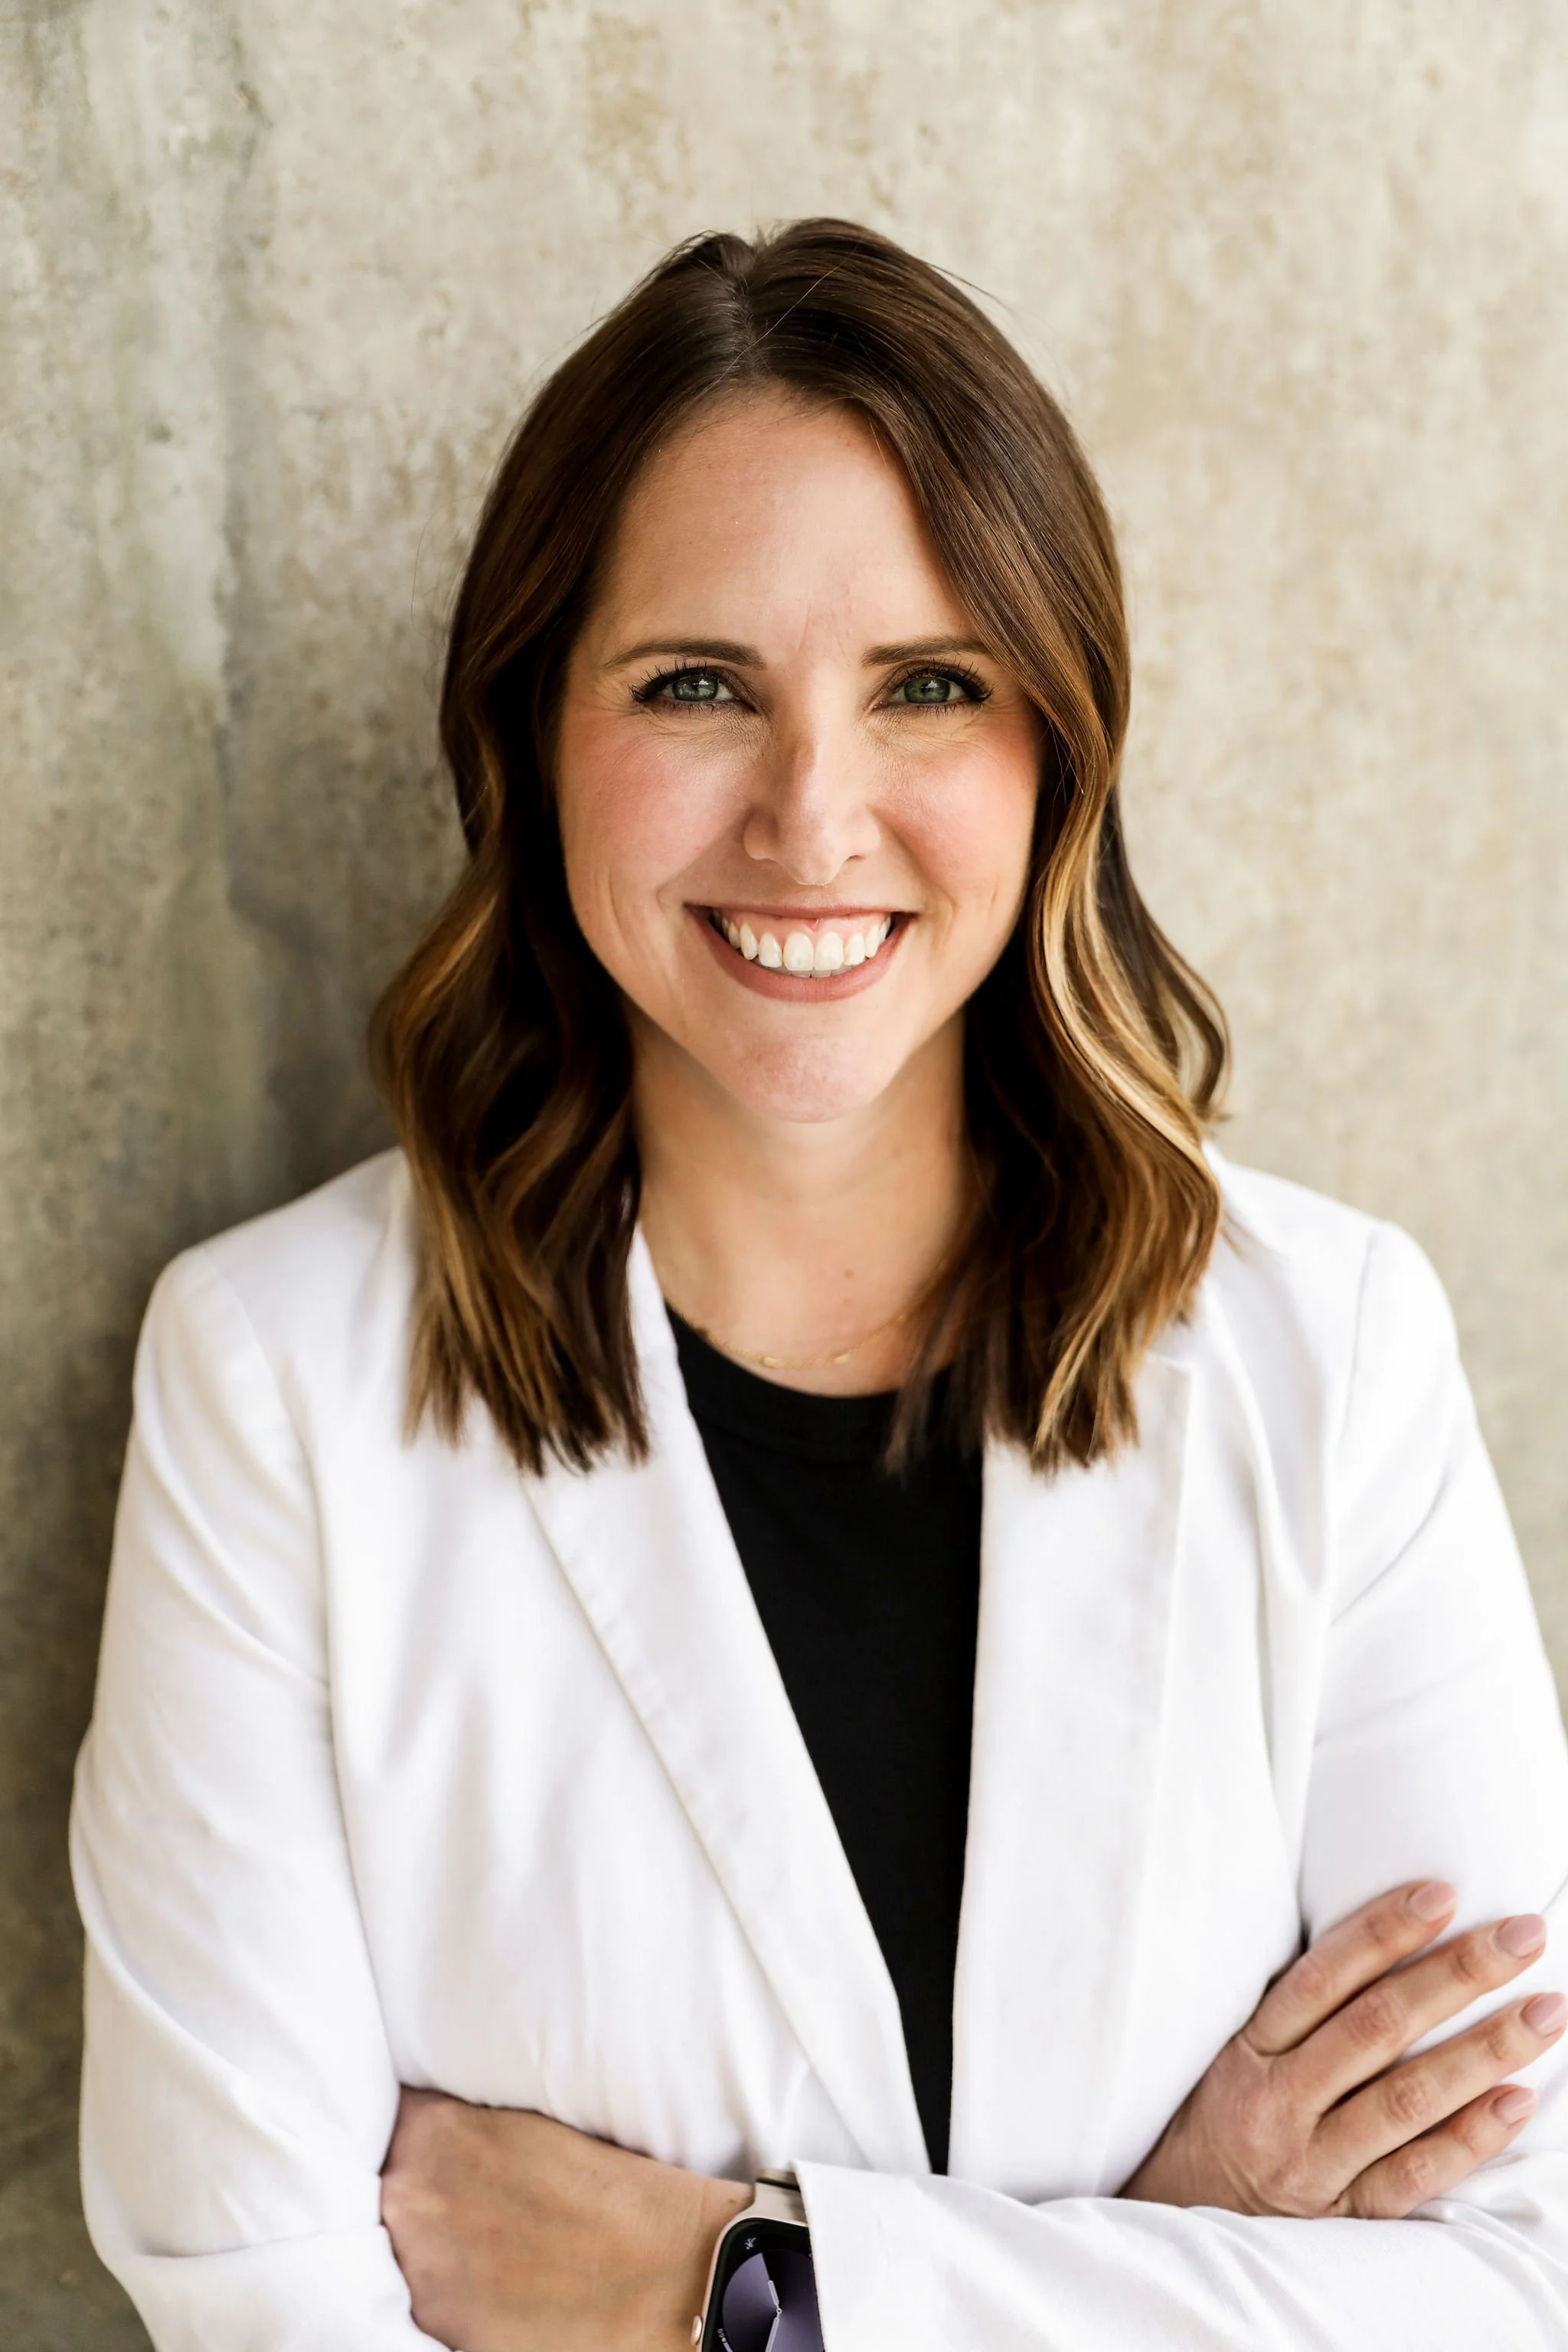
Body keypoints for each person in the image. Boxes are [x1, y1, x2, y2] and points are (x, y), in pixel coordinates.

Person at [71, 220, 1568, 2351]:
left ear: (1057, 750)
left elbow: (1517, 2287)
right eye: (697, 686)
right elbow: (256, 2294)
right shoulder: (275, 1389)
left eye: (928, 688)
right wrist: (1187, 2230)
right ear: (528, 733)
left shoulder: (1332, 1356)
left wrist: (752, 2292)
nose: (812, 813)